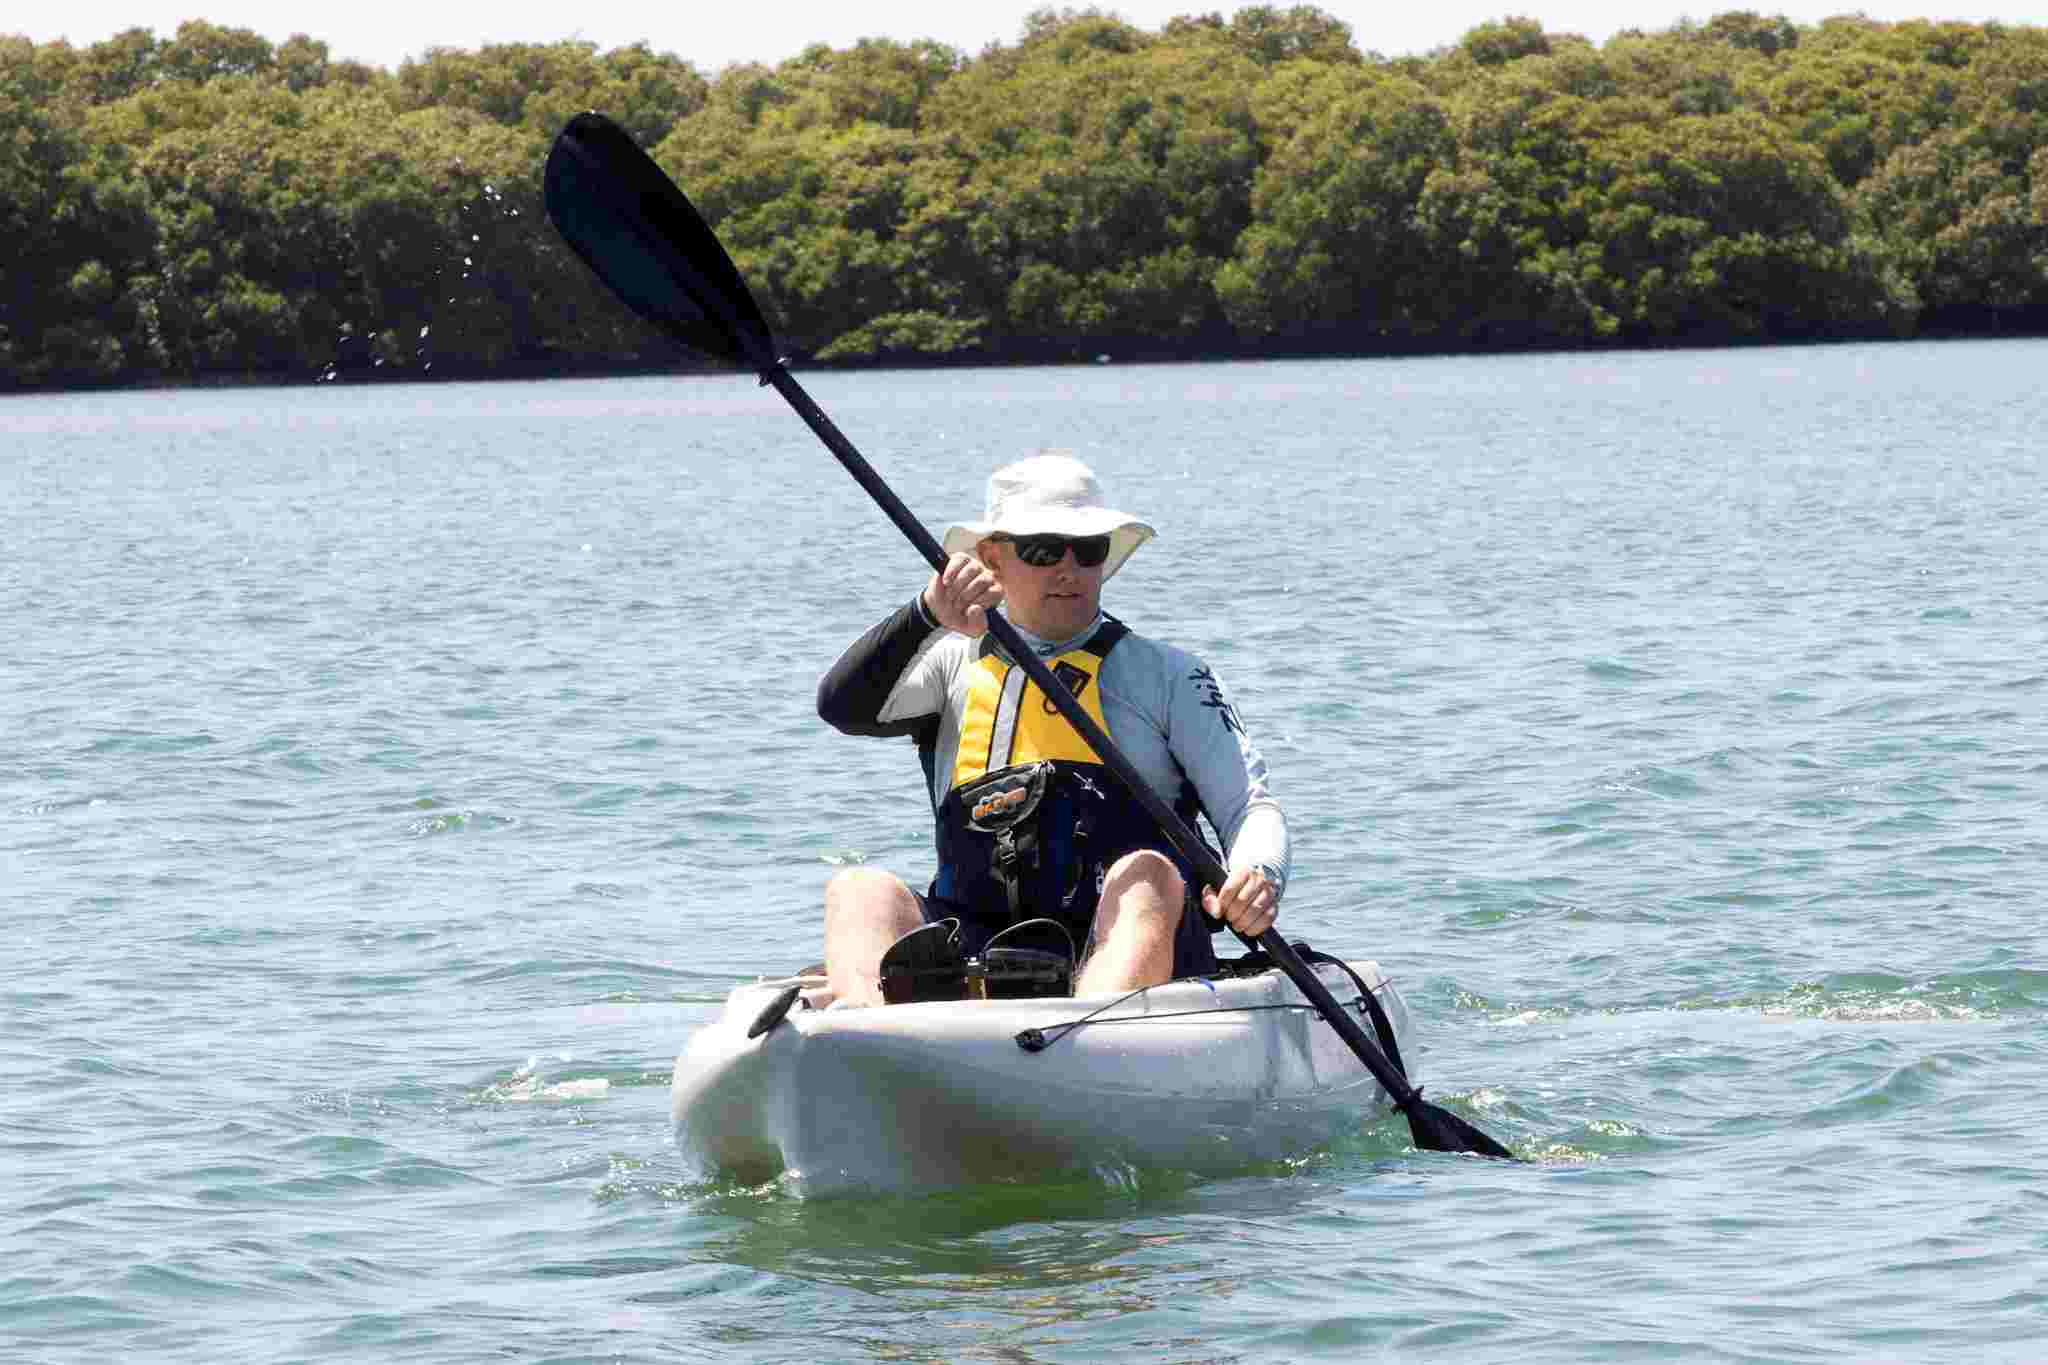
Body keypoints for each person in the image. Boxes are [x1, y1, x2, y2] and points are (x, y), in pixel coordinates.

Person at [815, 453, 1288, 1007]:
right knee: (858, 890)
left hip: (1132, 943)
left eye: (1086, 551)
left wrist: (1257, 873)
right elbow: (841, 707)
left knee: (1147, 872)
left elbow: (1250, 807)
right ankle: (870, 1032)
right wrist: (925, 613)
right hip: (977, 945)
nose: (1068, 570)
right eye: (1042, 550)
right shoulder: (949, 666)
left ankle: (1089, 1031)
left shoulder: (1170, 675)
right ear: (992, 558)